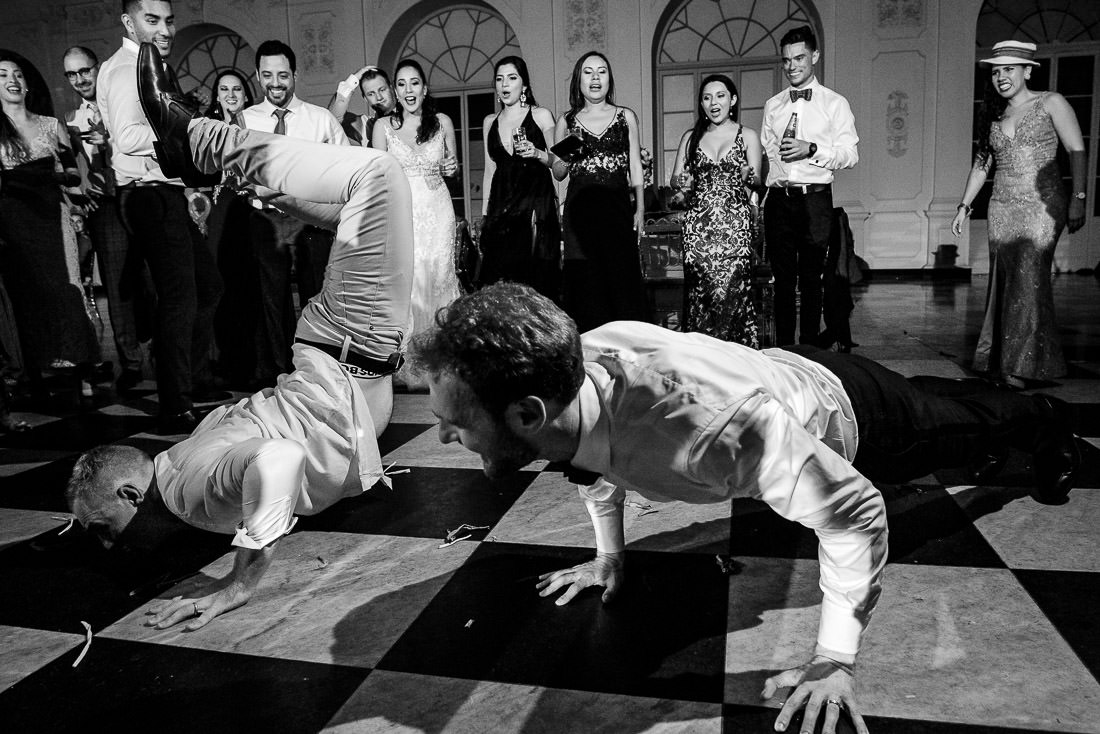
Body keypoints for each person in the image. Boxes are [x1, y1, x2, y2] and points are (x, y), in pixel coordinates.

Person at [408, 281, 1082, 734]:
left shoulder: (703, 431)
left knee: (960, 427)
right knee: (937, 401)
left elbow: (855, 512)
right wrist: (608, 557)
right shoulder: (566, 377)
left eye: (454, 424)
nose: (442, 436)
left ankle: (1046, 419)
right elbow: (587, 457)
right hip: (780, 371)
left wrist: (833, 660)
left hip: (852, 416)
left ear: (526, 413)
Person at [65, 43, 414, 630]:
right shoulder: (179, 465)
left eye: (103, 530)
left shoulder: (191, 481)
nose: (108, 545)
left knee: (377, 175)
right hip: (335, 349)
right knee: (366, 186)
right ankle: (221, 160)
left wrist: (239, 582)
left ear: (131, 495)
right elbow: (271, 453)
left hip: (348, 346)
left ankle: (202, 145)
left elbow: (277, 457)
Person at [97, 0, 224, 434]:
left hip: (166, 193)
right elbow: (128, 136)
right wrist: (184, 128)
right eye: (153, 21)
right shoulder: (124, 70)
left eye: (169, 20)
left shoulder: (151, 65)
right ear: (129, 23)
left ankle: (191, 383)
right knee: (181, 298)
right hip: (146, 196)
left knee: (207, 288)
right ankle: (175, 406)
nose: (165, 29)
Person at [951, 40, 1086, 389]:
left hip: (1043, 204)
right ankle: (1005, 360)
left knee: (1029, 276)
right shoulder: (996, 116)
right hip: (1002, 205)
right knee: (1004, 282)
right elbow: (982, 165)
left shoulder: (1051, 102)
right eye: (996, 71)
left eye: (1008, 69)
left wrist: (1080, 197)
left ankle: (1021, 366)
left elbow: (1076, 150)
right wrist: (964, 207)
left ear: (1027, 71)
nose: (1001, 77)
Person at [240, 40, 351, 387]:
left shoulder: (321, 120)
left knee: (315, 298)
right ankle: (280, 374)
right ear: (258, 76)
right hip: (265, 220)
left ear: (295, 76)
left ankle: (320, 374)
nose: (276, 83)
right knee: (271, 301)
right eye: (268, 75)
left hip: (311, 221)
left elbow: (345, 168)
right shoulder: (244, 120)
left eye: (283, 75)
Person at [0, 53, 99, 402]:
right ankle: (39, 372)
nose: (13, 80)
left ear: (27, 85)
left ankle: (81, 366)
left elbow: (73, 176)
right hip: (13, 225)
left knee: (68, 290)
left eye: (18, 75)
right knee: (29, 298)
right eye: (3, 75)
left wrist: (78, 215)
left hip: (54, 219)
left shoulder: (50, 125)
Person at [761, 25, 859, 348]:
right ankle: (785, 351)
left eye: (799, 58)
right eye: (787, 60)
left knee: (812, 281)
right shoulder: (772, 105)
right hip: (778, 201)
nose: (792, 66)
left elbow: (850, 155)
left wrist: (812, 150)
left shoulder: (835, 104)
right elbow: (770, 157)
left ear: (814, 56)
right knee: (783, 282)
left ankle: (808, 352)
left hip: (815, 200)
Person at [61, 45, 147, 394]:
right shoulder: (69, 121)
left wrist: (110, 140)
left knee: (154, 279)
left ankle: (161, 347)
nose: (80, 79)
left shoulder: (122, 103)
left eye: (85, 70)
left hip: (141, 194)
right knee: (117, 285)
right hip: (105, 207)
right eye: (72, 74)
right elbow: (72, 172)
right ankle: (131, 361)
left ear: (98, 69)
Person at [372, 58, 461, 389]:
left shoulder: (442, 122)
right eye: (402, 84)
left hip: (438, 211)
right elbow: (375, 177)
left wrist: (452, 169)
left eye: (414, 83)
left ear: (425, 89)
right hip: (401, 213)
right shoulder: (382, 127)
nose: (409, 90)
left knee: (437, 280)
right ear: (396, 90)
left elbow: (453, 167)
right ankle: (407, 363)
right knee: (408, 284)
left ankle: (442, 362)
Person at [551, 51, 648, 332]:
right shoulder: (565, 120)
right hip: (579, 215)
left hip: (617, 209)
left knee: (621, 282)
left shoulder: (625, 116)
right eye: (588, 72)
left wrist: (640, 209)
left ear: (609, 78)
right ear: (578, 80)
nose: (595, 77)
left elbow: (635, 167)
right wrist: (569, 146)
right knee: (585, 283)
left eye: (602, 71)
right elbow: (558, 172)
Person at [670, 74, 763, 347]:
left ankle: (738, 361)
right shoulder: (690, 138)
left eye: (720, 96)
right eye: (707, 97)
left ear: (732, 100)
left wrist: (749, 175)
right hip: (698, 232)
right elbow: (677, 190)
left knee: (734, 296)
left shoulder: (748, 136)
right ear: (701, 103)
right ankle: (703, 361)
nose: (714, 103)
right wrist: (681, 184)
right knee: (702, 297)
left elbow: (757, 183)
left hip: (735, 228)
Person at [478, 56, 561, 302]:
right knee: (499, 283)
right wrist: (484, 216)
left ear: (524, 85)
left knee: (534, 280)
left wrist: (536, 152)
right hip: (501, 209)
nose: (505, 84)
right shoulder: (489, 122)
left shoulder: (541, 115)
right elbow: (489, 170)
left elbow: (556, 162)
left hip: (534, 207)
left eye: (512, 78)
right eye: (500, 79)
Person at [202, 69, 259, 390]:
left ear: (246, 93)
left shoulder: (254, 125)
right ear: (217, 94)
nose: (231, 94)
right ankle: (225, 359)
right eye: (224, 89)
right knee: (222, 286)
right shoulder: (209, 129)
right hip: (219, 211)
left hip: (251, 210)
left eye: (237, 88)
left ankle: (249, 360)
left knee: (247, 288)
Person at [327, 65, 397, 146]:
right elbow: (331, 121)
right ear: (365, 99)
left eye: (382, 90)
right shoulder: (364, 126)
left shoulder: (411, 118)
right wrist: (352, 81)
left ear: (391, 89)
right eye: (371, 94)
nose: (379, 97)